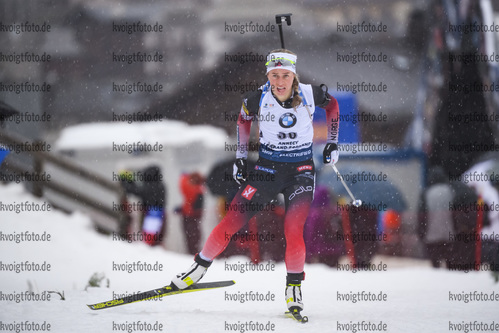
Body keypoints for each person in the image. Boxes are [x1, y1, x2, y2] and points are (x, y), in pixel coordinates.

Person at [171, 49, 340, 314]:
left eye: (285, 75)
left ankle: (293, 288)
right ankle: (198, 268)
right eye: (274, 75)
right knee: (232, 220)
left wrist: (332, 142)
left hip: (301, 170)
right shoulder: (257, 97)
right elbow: (242, 120)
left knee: (293, 229)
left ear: (293, 76)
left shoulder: (310, 93)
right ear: (268, 76)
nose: (280, 81)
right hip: (267, 170)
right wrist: (240, 157)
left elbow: (332, 106)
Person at [177, 172, 205, 255]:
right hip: (193, 218)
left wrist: (184, 176)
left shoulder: (194, 189)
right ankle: (194, 252)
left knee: (191, 238)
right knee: (194, 237)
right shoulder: (200, 189)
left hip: (189, 218)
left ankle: (193, 254)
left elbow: (183, 185)